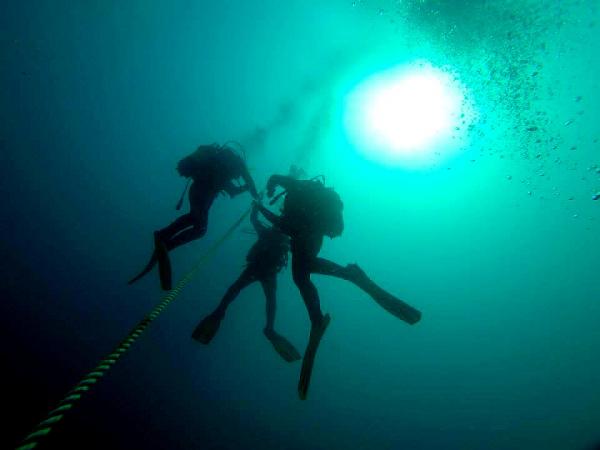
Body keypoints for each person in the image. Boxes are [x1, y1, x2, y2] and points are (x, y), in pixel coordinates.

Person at [255, 174, 422, 400]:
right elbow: (276, 181)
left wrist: (261, 207)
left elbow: (284, 223)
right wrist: (271, 187)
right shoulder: (302, 192)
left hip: (305, 235)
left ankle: (328, 302)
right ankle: (343, 283)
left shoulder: (297, 193)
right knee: (303, 272)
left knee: (301, 274)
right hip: (312, 236)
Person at [128, 143, 259, 290]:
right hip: (204, 194)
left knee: (193, 219)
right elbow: (242, 186)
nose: (237, 176)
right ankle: (165, 241)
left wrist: (245, 188)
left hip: (197, 190)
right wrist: (254, 193)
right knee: (200, 229)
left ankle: (164, 237)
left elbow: (232, 190)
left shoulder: (220, 170)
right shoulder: (237, 167)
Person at [191, 203, 301, 361]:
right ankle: (269, 328)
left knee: (236, 289)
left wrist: (256, 207)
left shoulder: (268, 233)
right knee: (269, 300)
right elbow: (256, 221)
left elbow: (254, 219)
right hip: (268, 273)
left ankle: (220, 311)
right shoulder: (286, 240)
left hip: (256, 269)